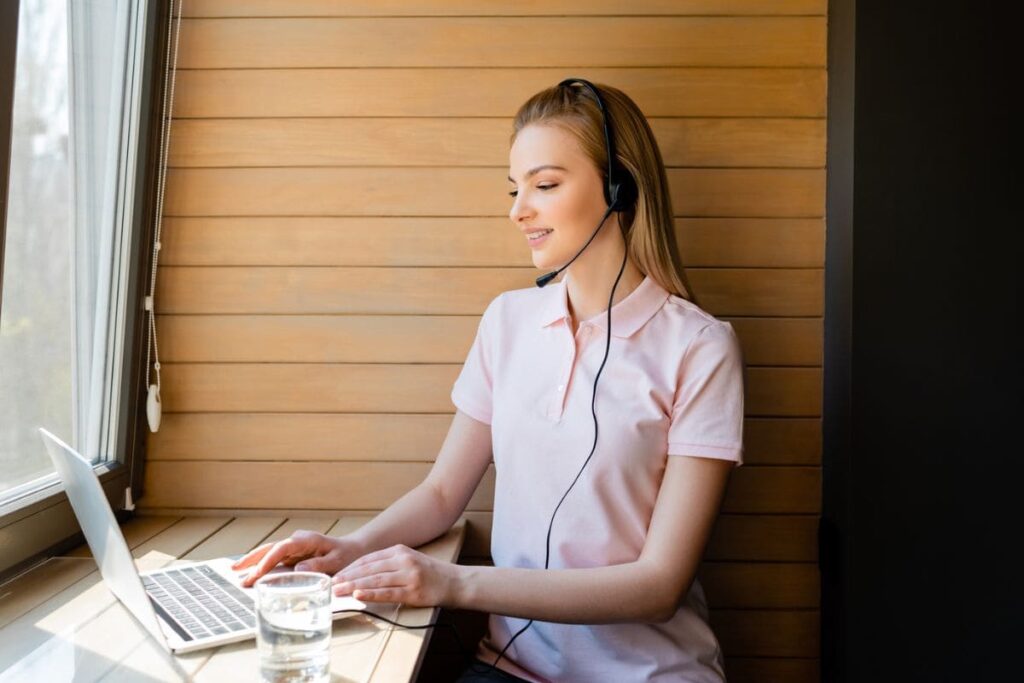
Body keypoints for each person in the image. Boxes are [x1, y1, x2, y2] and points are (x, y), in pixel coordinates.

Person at [232, 81, 745, 683]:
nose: (518, 209)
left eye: (545, 185)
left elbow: (659, 586)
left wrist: (454, 583)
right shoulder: (508, 321)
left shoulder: (701, 347)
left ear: (619, 189)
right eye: (515, 187)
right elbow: (443, 493)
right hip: (513, 670)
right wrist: (353, 546)